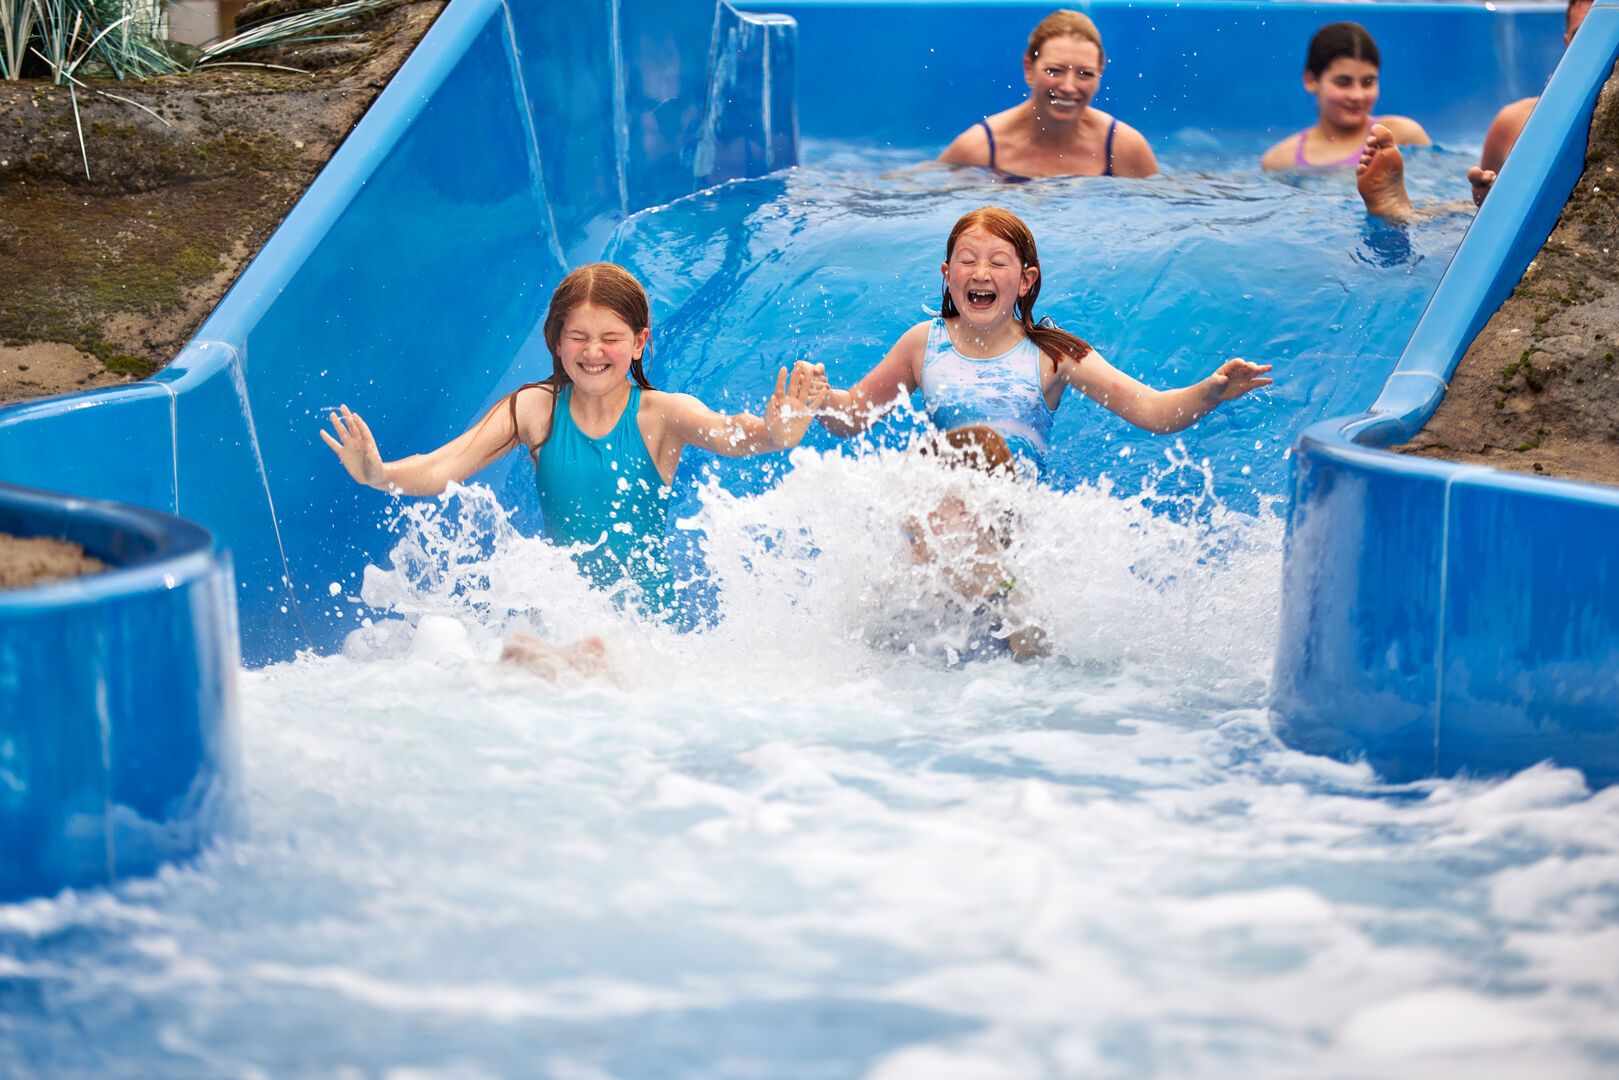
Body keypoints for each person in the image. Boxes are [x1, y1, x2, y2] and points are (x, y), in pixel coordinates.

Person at [322, 262, 830, 613]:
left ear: (639, 343)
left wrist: (775, 432)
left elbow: (732, 433)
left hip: (646, 632)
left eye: (611, 338)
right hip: (567, 619)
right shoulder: (535, 409)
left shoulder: (660, 415)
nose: (593, 352)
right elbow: (442, 466)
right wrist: (379, 474)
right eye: (578, 337)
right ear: (557, 341)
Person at [816, 207, 1272, 477]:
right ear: (947, 274)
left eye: (998, 263)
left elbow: (1152, 410)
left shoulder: (1053, 355)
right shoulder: (923, 344)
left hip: (1010, 529)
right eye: (967, 261)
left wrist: (1210, 391)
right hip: (941, 519)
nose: (980, 273)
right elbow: (853, 416)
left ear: (1025, 280)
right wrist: (821, 400)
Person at [938, 9, 1157, 180]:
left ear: (1100, 75)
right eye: (1054, 71)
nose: (1069, 87)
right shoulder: (978, 149)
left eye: (1085, 74)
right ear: (1029, 69)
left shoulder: (1124, 148)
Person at [1261, 22, 1429, 171]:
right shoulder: (1281, 160)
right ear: (1311, 80)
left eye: (1368, 82)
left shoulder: (1402, 136)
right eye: (1343, 82)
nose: (1357, 95)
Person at [1469, 0, 1591, 206]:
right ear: (1568, 44)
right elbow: (1482, 212)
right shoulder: (1512, 124)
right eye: (1582, 36)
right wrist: (1488, 200)